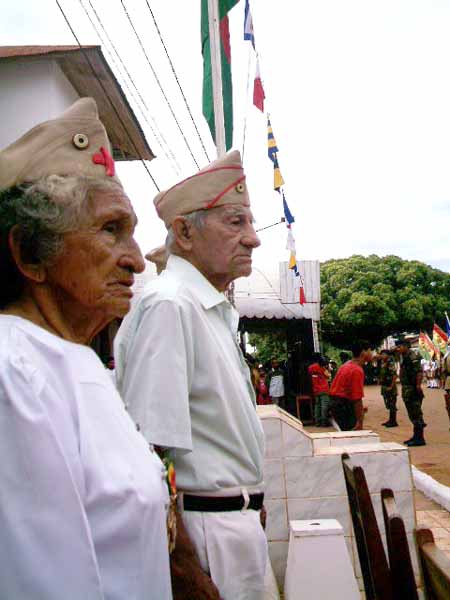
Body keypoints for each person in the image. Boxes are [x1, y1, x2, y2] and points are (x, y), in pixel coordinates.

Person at [0, 98, 172, 599]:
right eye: (111, 230)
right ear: (31, 254)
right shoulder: (14, 372)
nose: (138, 262)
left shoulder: (72, 357)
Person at [115, 150, 276, 600]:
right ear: (184, 232)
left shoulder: (208, 309)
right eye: (235, 223)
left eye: (249, 223)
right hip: (204, 534)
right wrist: (184, 568)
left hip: (229, 525)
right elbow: (150, 454)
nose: (253, 240)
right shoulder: (171, 305)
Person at [329, 342, 373, 431]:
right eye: (370, 350)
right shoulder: (356, 370)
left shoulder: (346, 365)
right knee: (352, 435)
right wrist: (360, 422)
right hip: (343, 407)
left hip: (337, 404)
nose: (372, 353)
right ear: (363, 352)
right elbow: (357, 399)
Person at [395, 338, 426, 447]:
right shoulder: (405, 357)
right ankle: (416, 436)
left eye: (400, 346)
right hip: (407, 388)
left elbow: (419, 372)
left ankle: (420, 438)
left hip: (412, 388)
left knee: (416, 413)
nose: (398, 349)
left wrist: (418, 385)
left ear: (406, 346)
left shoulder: (412, 357)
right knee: (412, 413)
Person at [308, 354, 331, 426]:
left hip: (316, 390)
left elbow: (310, 373)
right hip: (324, 389)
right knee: (324, 406)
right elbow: (328, 375)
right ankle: (324, 423)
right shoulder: (323, 368)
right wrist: (328, 370)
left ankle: (317, 422)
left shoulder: (311, 367)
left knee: (317, 406)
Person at [379, 350, 398, 427]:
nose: (382, 356)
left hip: (390, 386)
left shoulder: (390, 362)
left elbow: (394, 375)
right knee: (388, 404)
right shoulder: (384, 362)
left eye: (384, 354)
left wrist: (391, 386)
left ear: (387, 355)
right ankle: (390, 420)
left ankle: (393, 421)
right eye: (382, 354)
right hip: (385, 386)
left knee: (392, 404)